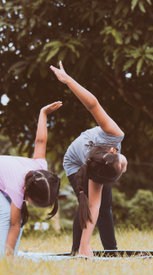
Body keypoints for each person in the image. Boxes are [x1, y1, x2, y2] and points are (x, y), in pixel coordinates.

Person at [50, 62, 127, 257]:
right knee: (86, 201)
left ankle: (111, 250)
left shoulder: (113, 134)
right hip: (74, 162)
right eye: (122, 167)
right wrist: (85, 247)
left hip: (95, 159)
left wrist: (68, 80)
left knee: (105, 203)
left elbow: (92, 104)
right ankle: (78, 250)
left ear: (113, 151)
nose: (125, 167)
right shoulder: (95, 170)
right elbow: (92, 206)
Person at [0, 101, 62, 258]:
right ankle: (4, 257)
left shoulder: (40, 167)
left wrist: (43, 113)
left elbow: (40, 141)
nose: (32, 205)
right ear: (26, 192)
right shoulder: (17, 187)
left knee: (17, 218)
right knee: (7, 214)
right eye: (34, 202)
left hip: (0, 178)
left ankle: (11, 254)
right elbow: (13, 224)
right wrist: (7, 258)